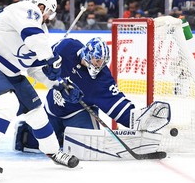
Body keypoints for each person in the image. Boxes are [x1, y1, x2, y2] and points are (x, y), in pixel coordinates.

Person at [0, 0, 83, 181]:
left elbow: (34, 68)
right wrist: (51, 58)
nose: (50, 17)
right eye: (50, 12)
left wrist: (58, 84)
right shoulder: (26, 8)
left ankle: (53, 151)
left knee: (36, 110)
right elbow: (32, 36)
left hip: (9, 71)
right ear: (42, 5)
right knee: (7, 104)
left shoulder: (39, 31)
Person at [13, 37, 171, 157]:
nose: (99, 65)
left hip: (79, 113)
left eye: (102, 62)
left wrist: (137, 118)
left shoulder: (102, 79)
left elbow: (117, 104)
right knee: (32, 145)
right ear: (87, 54)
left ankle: (64, 136)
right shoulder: (66, 47)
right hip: (53, 108)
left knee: (86, 149)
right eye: (96, 60)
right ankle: (34, 132)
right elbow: (42, 62)